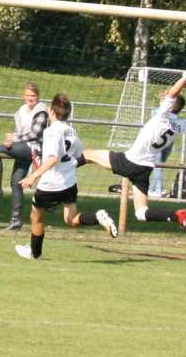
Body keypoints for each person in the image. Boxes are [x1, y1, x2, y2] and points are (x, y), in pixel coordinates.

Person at [80, 64, 186, 235]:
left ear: (170, 105)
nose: (164, 96)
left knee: (87, 154)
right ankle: (176, 216)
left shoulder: (162, 115)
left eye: (166, 97)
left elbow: (173, 93)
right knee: (141, 213)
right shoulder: (179, 126)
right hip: (144, 169)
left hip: (130, 162)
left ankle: (60, 172)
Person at [15, 94, 117, 259]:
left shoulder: (51, 131)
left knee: (36, 216)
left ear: (51, 111)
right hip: (69, 183)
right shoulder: (71, 130)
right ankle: (98, 217)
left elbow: (52, 158)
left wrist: (33, 176)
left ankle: (35, 253)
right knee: (72, 219)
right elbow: (79, 152)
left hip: (50, 184)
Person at [0, 83, 50, 231]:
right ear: (24, 96)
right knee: (16, 182)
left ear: (38, 96)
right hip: (23, 147)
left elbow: (34, 134)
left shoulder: (41, 111)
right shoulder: (22, 110)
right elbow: (22, 132)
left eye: (33, 95)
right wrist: (11, 139)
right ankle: (16, 220)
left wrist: (14, 138)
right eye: (28, 95)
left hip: (34, 148)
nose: (30, 98)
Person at [148, 89, 174, 198]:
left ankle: (153, 189)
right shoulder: (156, 112)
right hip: (158, 142)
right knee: (158, 166)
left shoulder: (172, 114)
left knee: (159, 165)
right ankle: (156, 190)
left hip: (168, 142)